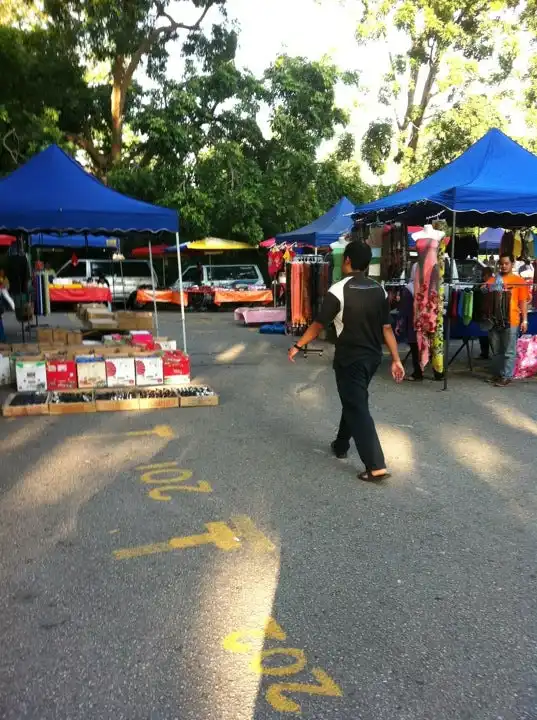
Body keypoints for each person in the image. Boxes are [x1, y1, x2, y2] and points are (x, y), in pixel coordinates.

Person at [288, 241, 405, 482]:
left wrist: (298, 345)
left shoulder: (338, 290)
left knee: (357, 406)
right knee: (355, 399)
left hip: (349, 358)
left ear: (348, 260)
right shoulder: (379, 290)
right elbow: (386, 328)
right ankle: (341, 444)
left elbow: (319, 324)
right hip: (372, 358)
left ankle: (375, 465)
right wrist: (396, 359)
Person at [486, 252, 530, 387]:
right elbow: (484, 293)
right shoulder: (493, 280)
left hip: (512, 320)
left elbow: (523, 302)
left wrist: (525, 320)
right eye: (501, 264)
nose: (504, 266)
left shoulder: (519, 281)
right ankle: (498, 374)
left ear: (512, 264)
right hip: (494, 320)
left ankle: (507, 376)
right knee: (496, 350)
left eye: (507, 263)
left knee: (509, 350)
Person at [397, 263, 422, 380]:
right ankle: (438, 372)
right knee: (429, 347)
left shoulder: (409, 289)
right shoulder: (429, 286)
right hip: (427, 323)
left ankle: (418, 373)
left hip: (414, 324)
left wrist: (400, 324)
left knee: (415, 348)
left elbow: (405, 310)